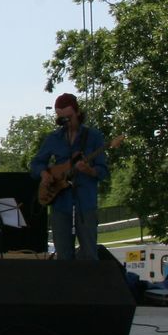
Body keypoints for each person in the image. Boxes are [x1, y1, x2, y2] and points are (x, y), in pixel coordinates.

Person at [30, 92, 108, 261]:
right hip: (60, 204)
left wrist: (89, 170)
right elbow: (36, 163)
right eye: (61, 119)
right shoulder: (54, 138)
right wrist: (44, 174)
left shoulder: (93, 137)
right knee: (63, 256)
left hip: (85, 203)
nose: (66, 122)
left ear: (78, 113)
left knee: (89, 254)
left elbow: (103, 171)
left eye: (69, 117)